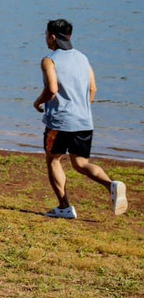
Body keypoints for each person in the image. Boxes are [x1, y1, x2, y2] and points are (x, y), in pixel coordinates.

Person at [33, 18, 128, 220]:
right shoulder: (83, 58)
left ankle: (65, 207)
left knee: (53, 159)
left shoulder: (49, 60)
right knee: (81, 163)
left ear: (51, 37)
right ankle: (111, 185)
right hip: (84, 121)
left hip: (60, 122)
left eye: (45, 35)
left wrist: (38, 102)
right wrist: (81, 109)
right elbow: (93, 88)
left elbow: (52, 89)